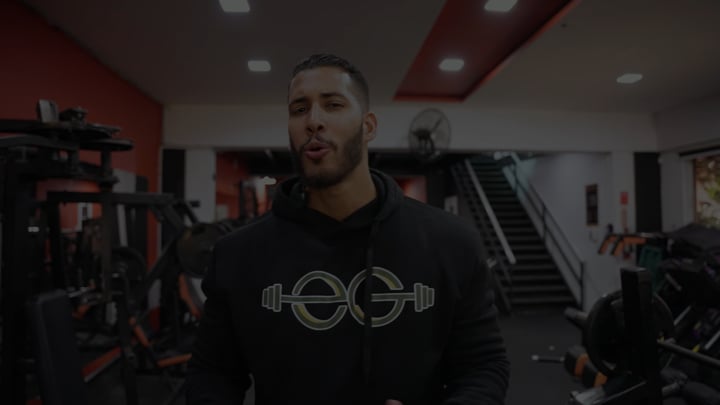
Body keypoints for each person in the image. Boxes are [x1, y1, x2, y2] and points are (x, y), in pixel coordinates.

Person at [186, 53, 510, 404]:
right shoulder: (237, 254)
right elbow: (212, 373)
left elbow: (483, 365)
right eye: (299, 109)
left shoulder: (451, 242)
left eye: (333, 105)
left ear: (368, 126)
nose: (313, 121)